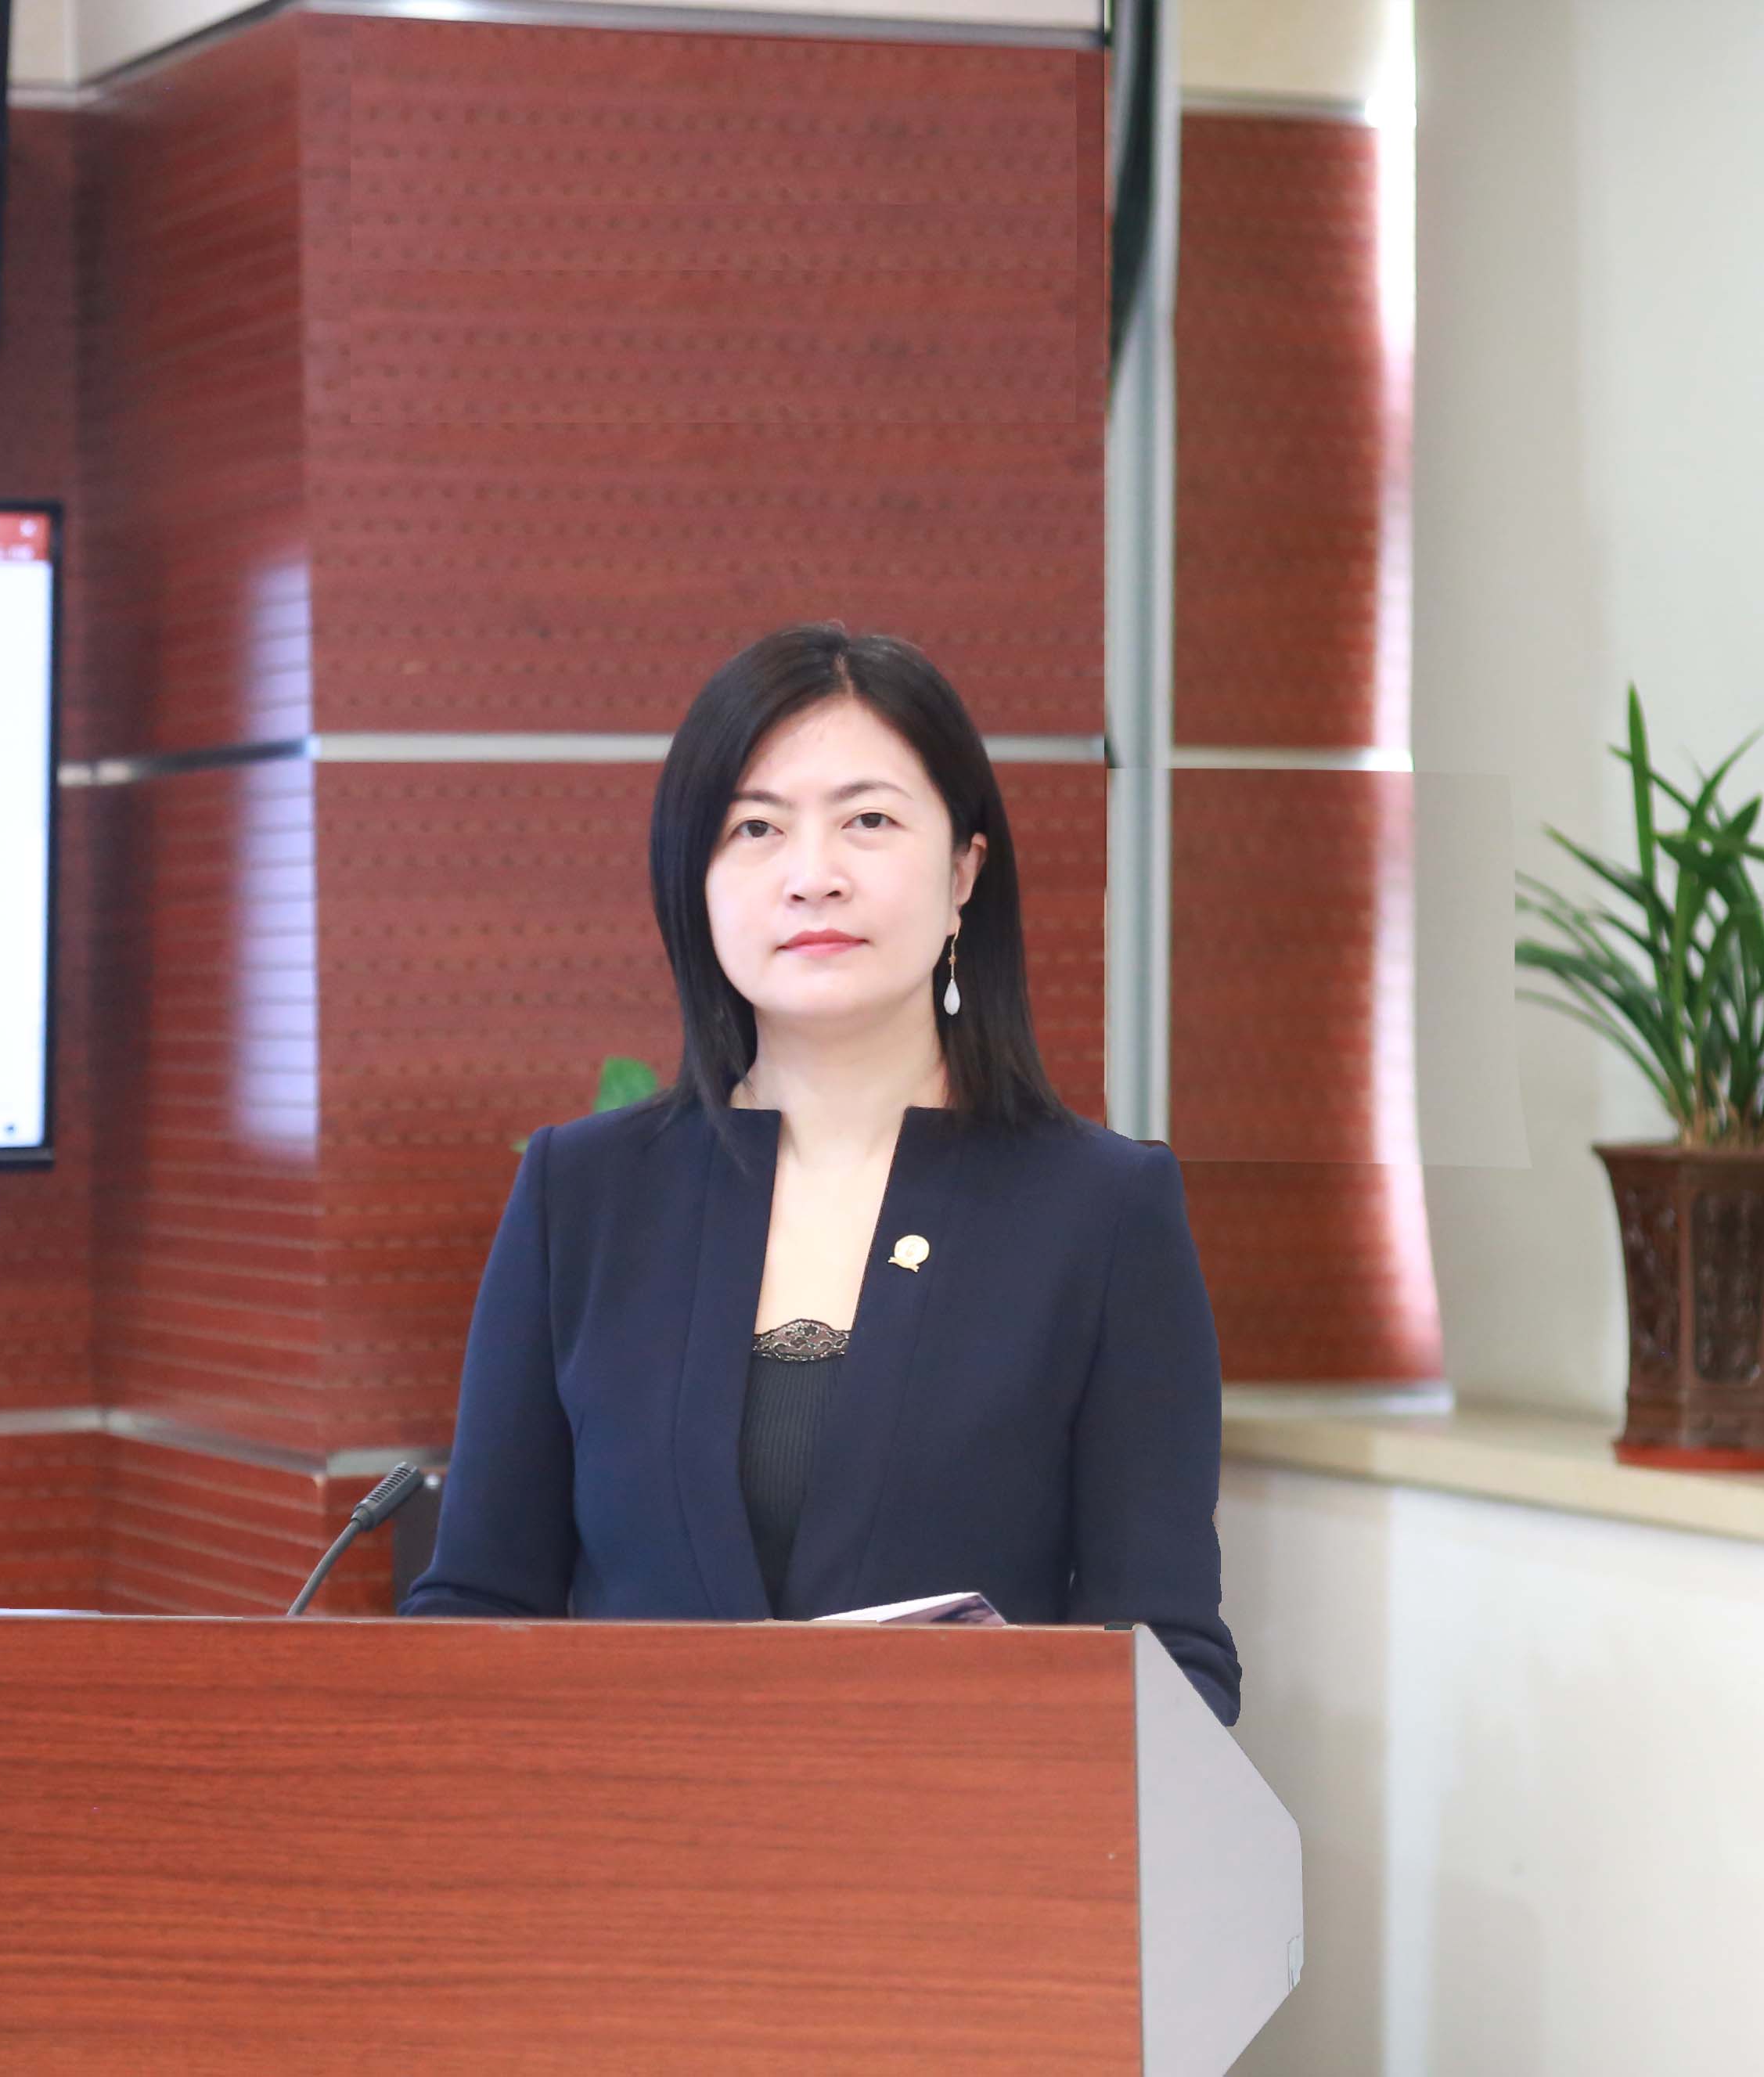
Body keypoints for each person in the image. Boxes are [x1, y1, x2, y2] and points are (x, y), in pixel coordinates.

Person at [400, 622, 1240, 1726]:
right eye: (755, 827)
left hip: (957, 1827)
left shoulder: (1101, 1210)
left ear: (964, 872)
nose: (812, 877)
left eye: (868, 821)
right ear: (696, 883)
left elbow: (1170, 1656)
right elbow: (477, 1604)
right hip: (634, 1826)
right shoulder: (585, 1195)